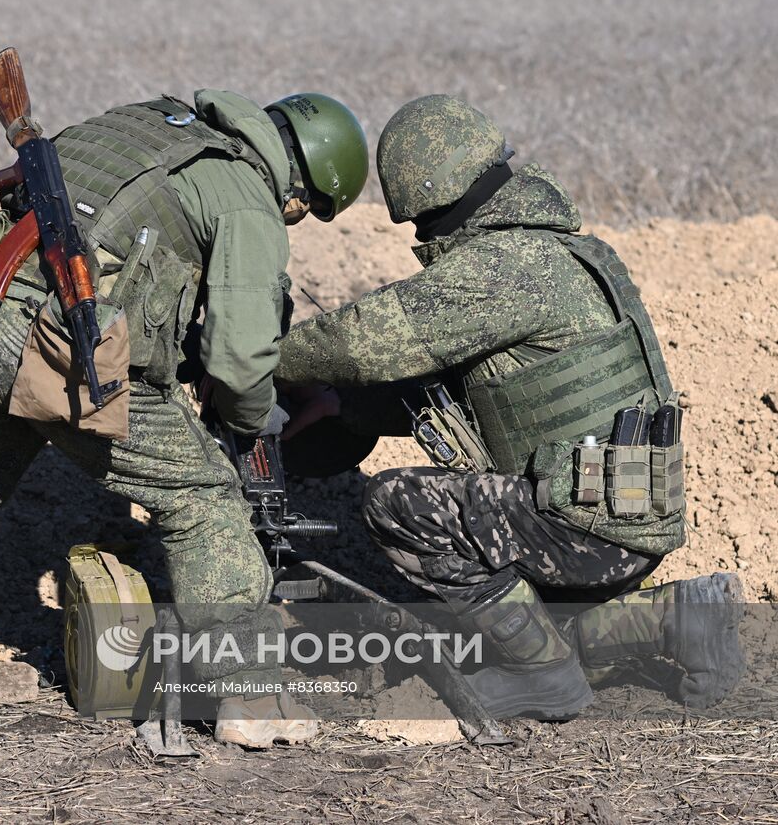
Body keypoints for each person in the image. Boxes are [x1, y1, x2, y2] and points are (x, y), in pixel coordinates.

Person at [0, 88, 370, 748]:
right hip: (67, 351)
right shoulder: (247, 195)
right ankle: (246, 696)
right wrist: (249, 422)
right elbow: (243, 359)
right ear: (301, 196)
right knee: (203, 499)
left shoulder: (145, 122)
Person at [275, 94, 743, 720]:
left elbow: (363, 342)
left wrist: (247, 355)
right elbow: (474, 391)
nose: (421, 237)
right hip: (626, 512)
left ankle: (544, 678)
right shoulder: (571, 253)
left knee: (398, 503)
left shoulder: (505, 268)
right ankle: (681, 617)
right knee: (512, 625)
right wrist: (347, 409)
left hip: (584, 525)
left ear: (437, 199)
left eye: (420, 223)